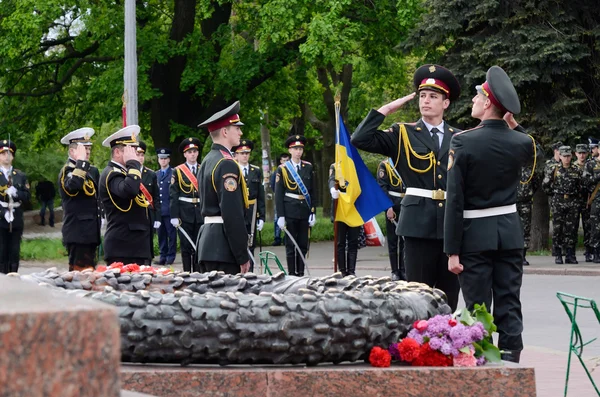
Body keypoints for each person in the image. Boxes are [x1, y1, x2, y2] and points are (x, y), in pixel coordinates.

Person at [444, 65, 537, 363]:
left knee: (477, 303)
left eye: (476, 97)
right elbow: (536, 155)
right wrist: (515, 124)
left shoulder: (463, 141)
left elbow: (455, 199)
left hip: (474, 236)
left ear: (487, 104)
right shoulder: (521, 141)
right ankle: (511, 357)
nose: (472, 101)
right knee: (509, 298)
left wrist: (452, 251)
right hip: (509, 232)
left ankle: (482, 359)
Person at [351, 64, 461, 310]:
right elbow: (360, 139)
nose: (426, 101)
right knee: (417, 298)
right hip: (416, 224)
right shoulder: (403, 133)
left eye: (433, 96)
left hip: (450, 224)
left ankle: (447, 346)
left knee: (448, 299)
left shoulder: (459, 136)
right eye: (422, 96)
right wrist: (386, 110)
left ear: (446, 103)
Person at [196, 101, 250, 274]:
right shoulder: (226, 164)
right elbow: (232, 213)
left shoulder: (208, 160)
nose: (241, 132)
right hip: (224, 249)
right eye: (237, 128)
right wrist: (242, 255)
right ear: (225, 132)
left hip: (208, 244)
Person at [99, 125, 151, 266]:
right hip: (123, 247)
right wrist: (133, 164)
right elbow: (129, 190)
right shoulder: (112, 173)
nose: (135, 155)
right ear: (117, 152)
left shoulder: (124, 172)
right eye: (131, 150)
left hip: (135, 246)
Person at [58, 128, 102, 271]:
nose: (88, 152)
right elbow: (73, 187)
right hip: (77, 232)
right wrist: (81, 163)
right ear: (72, 152)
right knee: (80, 275)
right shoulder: (68, 171)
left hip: (90, 231)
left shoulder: (91, 171)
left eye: (89, 149)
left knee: (90, 273)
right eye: (84, 149)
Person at [275, 135, 316, 276]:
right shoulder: (283, 169)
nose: (298, 151)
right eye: (295, 149)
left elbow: (312, 191)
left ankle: (301, 273)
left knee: (302, 244)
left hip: (304, 209)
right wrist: (280, 215)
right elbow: (279, 194)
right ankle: (292, 274)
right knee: (291, 244)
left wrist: (313, 211)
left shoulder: (308, 167)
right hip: (289, 209)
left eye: (300, 149)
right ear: (290, 150)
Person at [542, 146, 582, 264]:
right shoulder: (554, 169)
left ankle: (570, 255)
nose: (566, 158)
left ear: (571, 156)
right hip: (558, 201)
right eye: (564, 156)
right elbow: (546, 186)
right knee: (558, 229)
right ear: (559, 156)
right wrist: (555, 195)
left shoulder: (576, 170)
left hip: (572, 202)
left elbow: (581, 186)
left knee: (572, 229)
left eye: (568, 156)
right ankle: (558, 254)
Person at [169, 137, 203, 272]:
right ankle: (187, 273)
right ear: (184, 154)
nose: (192, 154)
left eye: (194, 151)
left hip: (200, 212)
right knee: (186, 246)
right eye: (189, 152)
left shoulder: (203, 168)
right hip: (184, 213)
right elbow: (173, 195)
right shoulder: (177, 171)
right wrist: (174, 215)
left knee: (199, 245)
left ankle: (198, 274)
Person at [233, 139, 265, 270]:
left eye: (247, 153)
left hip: (252, 211)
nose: (245, 155)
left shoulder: (256, 171)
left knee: (251, 244)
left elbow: (260, 195)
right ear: (236, 155)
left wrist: (261, 217)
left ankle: (250, 273)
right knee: (238, 243)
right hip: (238, 210)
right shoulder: (233, 169)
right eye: (242, 153)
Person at [0, 140, 30, 274]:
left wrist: (16, 193)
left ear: (13, 156)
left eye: (9, 153)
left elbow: (27, 196)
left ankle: (13, 277)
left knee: (14, 251)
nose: (6, 156)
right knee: (1, 251)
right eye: (3, 153)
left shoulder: (20, 176)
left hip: (16, 217)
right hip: (1, 218)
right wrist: (2, 212)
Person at [377, 158, 406, 280]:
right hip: (392, 205)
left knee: (404, 240)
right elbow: (382, 188)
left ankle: (403, 270)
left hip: (405, 203)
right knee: (393, 240)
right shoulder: (385, 166)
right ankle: (395, 271)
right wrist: (388, 206)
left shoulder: (405, 162)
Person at [329, 163, 360, 276]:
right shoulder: (335, 166)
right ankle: (342, 271)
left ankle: (351, 272)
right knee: (340, 242)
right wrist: (332, 189)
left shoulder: (355, 164)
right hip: (340, 208)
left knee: (353, 242)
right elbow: (332, 179)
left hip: (354, 208)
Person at [136, 141, 161, 265]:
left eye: (142, 155)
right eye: (138, 155)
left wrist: (157, 217)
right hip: (134, 213)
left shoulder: (151, 174)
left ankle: (148, 265)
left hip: (148, 213)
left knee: (148, 242)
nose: (140, 158)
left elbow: (156, 197)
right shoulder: (128, 173)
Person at [516, 164, 541, 266]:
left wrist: (527, 194)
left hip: (525, 203)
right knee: (512, 230)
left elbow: (535, 184)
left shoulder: (530, 171)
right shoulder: (510, 169)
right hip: (512, 203)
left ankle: (523, 256)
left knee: (525, 229)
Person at [155, 148, 176, 265]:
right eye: (161, 158)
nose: (163, 161)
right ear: (158, 160)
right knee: (161, 235)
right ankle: (163, 256)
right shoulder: (156, 174)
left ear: (169, 159)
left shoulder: (173, 173)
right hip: (160, 211)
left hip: (170, 210)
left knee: (171, 235)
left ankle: (171, 256)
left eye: (165, 158)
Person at [573, 143, 594, 262]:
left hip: (587, 200)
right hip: (574, 201)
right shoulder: (572, 167)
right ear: (575, 154)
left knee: (588, 227)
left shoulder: (590, 166)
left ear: (587, 154)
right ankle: (571, 252)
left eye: (584, 153)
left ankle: (588, 251)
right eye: (579, 153)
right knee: (573, 227)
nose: (581, 155)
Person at [270, 153, 290, 246]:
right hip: (279, 197)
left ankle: (287, 237)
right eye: (283, 160)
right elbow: (273, 184)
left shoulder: (291, 170)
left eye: (287, 160)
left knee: (288, 218)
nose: (285, 162)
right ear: (281, 161)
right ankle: (277, 237)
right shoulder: (277, 171)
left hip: (289, 198)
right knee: (277, 218)